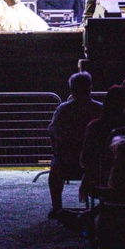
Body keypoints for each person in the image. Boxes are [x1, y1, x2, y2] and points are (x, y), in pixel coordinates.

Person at [46, 71, 103, 218]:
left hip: (68, 160)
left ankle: (57, 207)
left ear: (72, 90)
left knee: (55, 173)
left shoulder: (63, 109)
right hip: (95, 161)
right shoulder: (99, 108)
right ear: (90, 88)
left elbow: (53, 131)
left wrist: (58, 150)